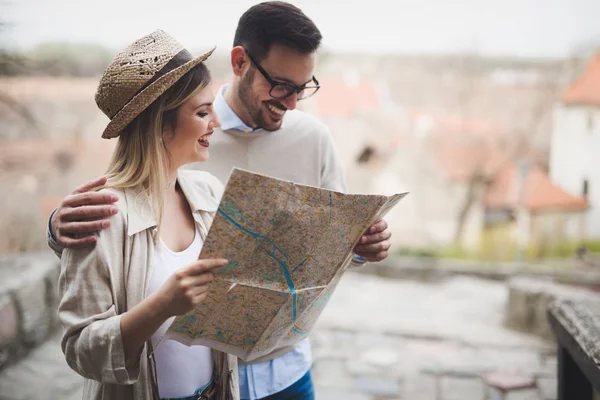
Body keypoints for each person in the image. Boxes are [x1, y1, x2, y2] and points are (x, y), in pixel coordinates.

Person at [48, 2, 393, 399]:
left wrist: (362, 245)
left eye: (303, 88)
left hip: (274, 372)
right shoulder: (122, 203)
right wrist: (57, 227)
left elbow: (330, 240)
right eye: (281, 85)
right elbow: (85, 335)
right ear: (240, 62)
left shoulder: (214, 185)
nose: (293, 101)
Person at [55, 29, 239, 400]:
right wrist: (161, 306)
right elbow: (80, 350)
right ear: (159, 124)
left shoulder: (208, 191)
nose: (215, 123)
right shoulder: (100, 213)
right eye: (202, 112)